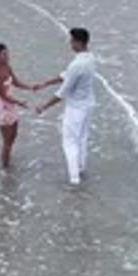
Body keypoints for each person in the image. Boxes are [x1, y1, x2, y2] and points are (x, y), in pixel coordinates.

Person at [35, 27, 96, 186]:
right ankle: (81, 168)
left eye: (71, 40)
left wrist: (44, 106)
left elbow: (62, 92)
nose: (70, 43)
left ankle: (74, 179)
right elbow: (66, 75)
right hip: (88, 105)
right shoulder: (90, 58)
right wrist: (46, 83)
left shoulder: (76, 65)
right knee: (82, 139)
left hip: (76, 109)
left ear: (78, 42)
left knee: (69, 143)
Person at [0, 43, 35, 169]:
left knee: (14, 136)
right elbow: (3, 96)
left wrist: (30, 87)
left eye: (7, 53)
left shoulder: (7, 67)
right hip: (3, 108)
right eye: (4, 54)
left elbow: (16, 82)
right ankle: (5, 168)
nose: (7, 56)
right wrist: (20, 102)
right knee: (7, 142)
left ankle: (7, 161)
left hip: (11, 105)